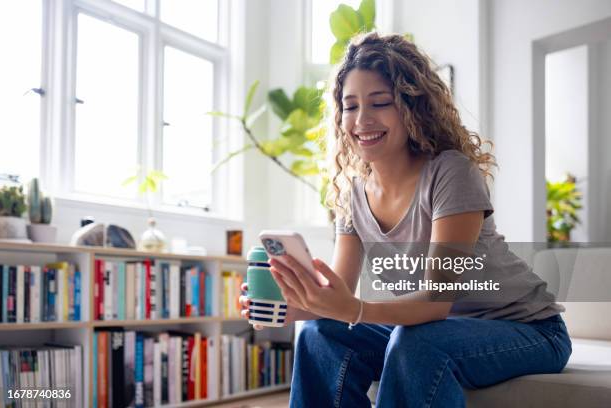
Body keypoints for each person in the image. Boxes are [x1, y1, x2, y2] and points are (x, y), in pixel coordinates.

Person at [239, 32, 572, 407]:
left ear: (412, 107)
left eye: (379, 102)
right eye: (350, 107)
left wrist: (352, 309)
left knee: (417, 342)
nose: (362, 120)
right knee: (318, 333)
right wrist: (288, 305)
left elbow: (434, 303)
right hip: (437, 327)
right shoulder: (353, 193)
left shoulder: (450, 173)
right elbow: (342, 297)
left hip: (526, 330)